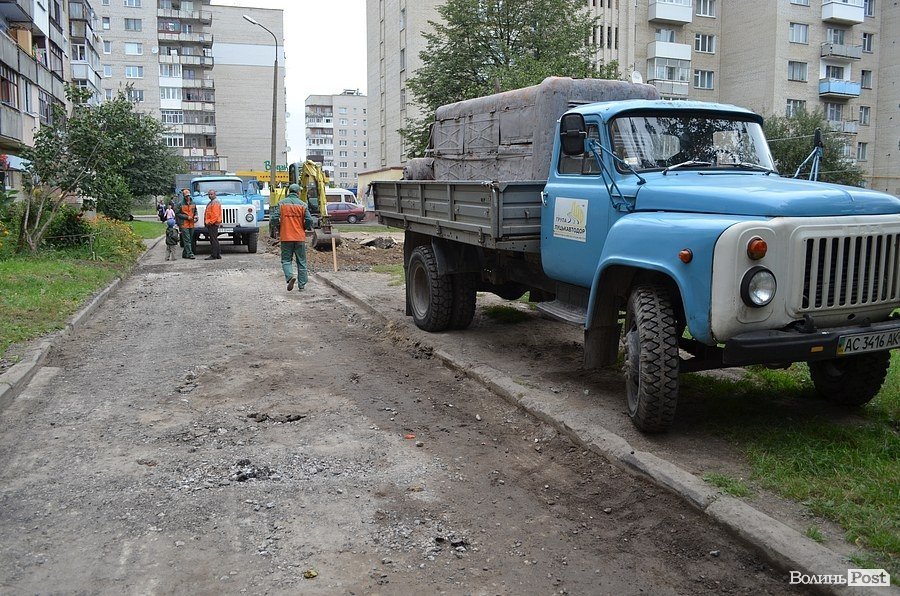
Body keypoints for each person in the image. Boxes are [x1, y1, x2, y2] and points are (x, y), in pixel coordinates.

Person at [271, 183, 313, 291]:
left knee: (286, 260)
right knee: (301, 262)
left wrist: (280, 227)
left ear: (289, 192)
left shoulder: (282, 203)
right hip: (299, 237)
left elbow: (274, 219)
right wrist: (304, 227)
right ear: (298, 192)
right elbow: (309, 220)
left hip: (286, 237)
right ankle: (302, 285)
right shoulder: (303, 205)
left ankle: (290, 277)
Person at [175, 188, 197, 259]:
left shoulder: (193, 203)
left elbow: (195, 211)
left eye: (188, 195)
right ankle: (190, 254)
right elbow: (177, 213)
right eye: (186, 196)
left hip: (192, 224)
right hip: (184, 224)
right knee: (187, 239)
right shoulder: (180, 204)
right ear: (184, 196)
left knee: (190, 239)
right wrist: (186, 217)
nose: (188, 197)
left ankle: (185, 254)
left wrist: (196, 216)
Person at [203, 189, 222, 260]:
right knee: (214, 239)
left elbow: (215, 215)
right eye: (209, 194)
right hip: (213, 223)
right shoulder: (212, 202)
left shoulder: (215, 202)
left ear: (215, 194)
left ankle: (214, 255)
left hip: (213, 224)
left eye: (211, 194)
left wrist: (210, 222)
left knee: (213, 240)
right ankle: (218, 254)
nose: (210, 195)